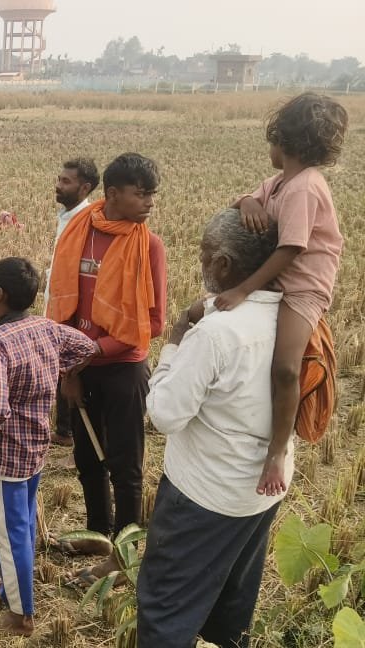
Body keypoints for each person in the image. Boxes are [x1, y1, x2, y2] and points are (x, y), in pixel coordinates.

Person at [136, 207, 285, 648]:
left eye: (204, 255)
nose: (201, 262)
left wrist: (175, 341)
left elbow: (165, 415)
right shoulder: (291, 315)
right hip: (260, 494)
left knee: (165, 609)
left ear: (223, 264)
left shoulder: (215, 333)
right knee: (231, 607)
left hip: (203, 497)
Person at [45, 153, 167, 585]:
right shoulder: (77, 233)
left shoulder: (149, 246)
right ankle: (97, 536)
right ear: (112, 194)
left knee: (125, 465)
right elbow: (61, 306)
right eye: (141, 193)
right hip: (81, 367)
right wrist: (70, 372)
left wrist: (91, 350)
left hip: (123, 370)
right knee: (86, 457)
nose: (149, 202)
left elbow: (153, 323)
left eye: (152, 194)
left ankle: (124, 553)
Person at [218, 93, 347, 497]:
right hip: (280, 278)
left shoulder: (305, 187)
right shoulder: (279, 183)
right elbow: (244, 199)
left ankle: (277, 450)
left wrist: (243, 289)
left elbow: (291, 248)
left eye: (271, 142)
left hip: (303, 285)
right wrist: (250, 201)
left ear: (284, 143)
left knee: (286, 367)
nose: (269, 150)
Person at [0, 257, 98, 637]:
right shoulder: (45, 327)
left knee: (6, 536)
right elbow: (87, 347)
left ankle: (20, 617)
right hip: (35, 448)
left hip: (4, 456)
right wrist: (65, 373)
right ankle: (13, 587)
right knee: (23, 526)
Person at [46, 158, 100, 449]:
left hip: (74, 313)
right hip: (58, 307)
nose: (58, 185)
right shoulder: (67, 217)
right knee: (62, 368)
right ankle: (65, 430)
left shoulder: (88, 222)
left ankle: (77, 437)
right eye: (59, 179)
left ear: (85, 187)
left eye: (66, 181)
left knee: (74, 372)